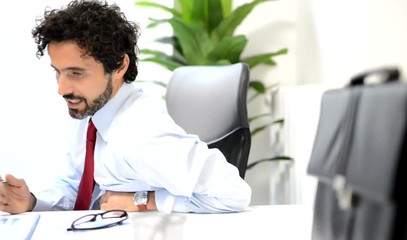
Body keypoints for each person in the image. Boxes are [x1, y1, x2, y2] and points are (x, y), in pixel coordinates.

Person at [0, 0, 251, 214]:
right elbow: (75, 187)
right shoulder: (91, 112)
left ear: (119, 66)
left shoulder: (140, 133)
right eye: (59, 73)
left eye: (76, 73)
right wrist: (32, 202)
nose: (62, 89)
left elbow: (233, 193)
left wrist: (143, 200)